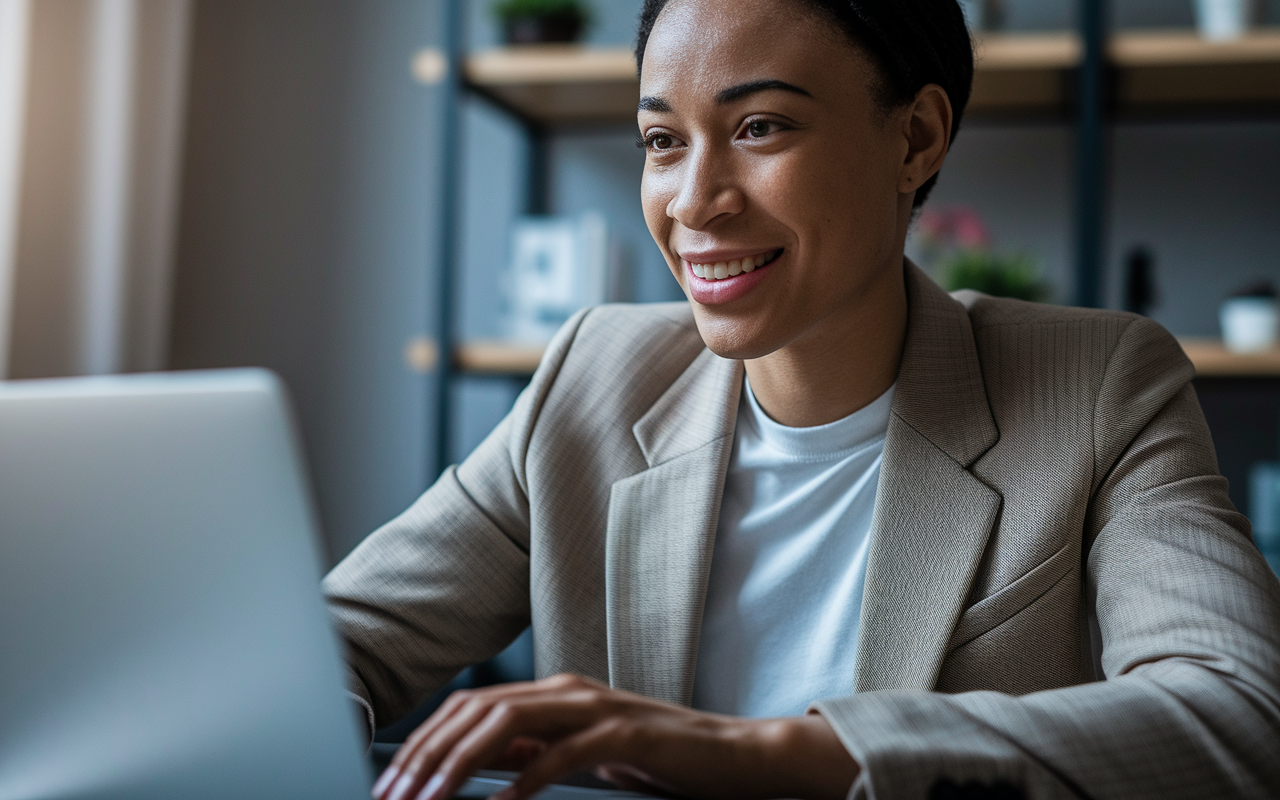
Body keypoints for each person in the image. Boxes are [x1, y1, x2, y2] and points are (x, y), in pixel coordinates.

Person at [322, 0, 1280, 798]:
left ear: (916, 137)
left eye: (759, 127)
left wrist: (757, 752)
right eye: (663, 140)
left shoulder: (1100, 387)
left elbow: (1236, 714)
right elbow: (333, 645)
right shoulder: (594, 377)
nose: (695, 201)